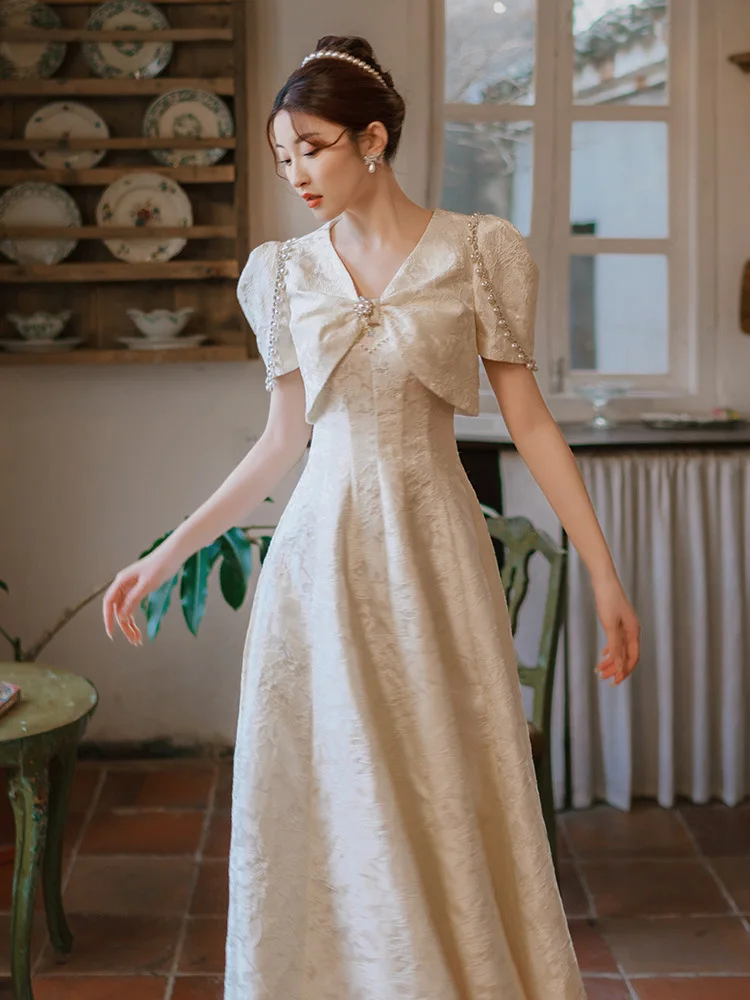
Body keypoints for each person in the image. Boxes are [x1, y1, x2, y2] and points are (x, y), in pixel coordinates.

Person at [102, 34, 640, 1000]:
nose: (297, 172)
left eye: (312, 146)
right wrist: (168, 555)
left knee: (441, 783)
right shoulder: (281, 273)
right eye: (282, 156)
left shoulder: (478, 251)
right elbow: (276, 446)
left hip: (435, 553)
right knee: (336, 795)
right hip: (321, 564)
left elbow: (531, 423)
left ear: (373, 140)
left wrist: (601, 571)